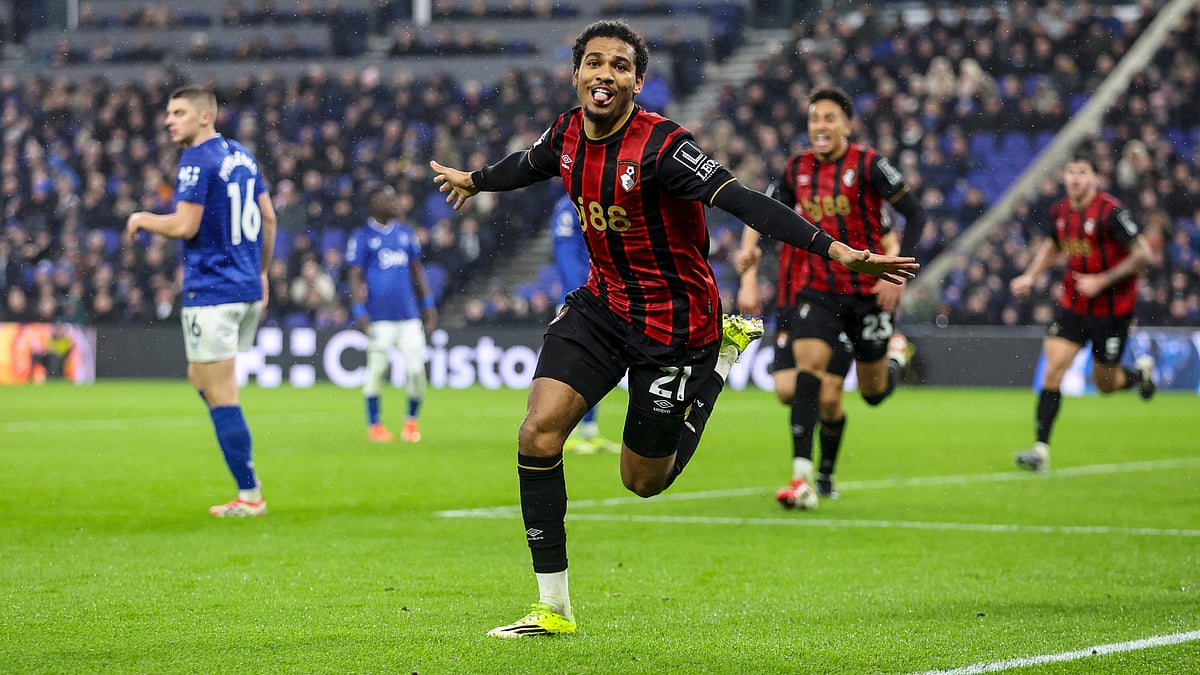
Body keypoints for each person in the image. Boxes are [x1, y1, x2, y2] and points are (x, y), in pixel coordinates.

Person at [429, 20, 917, 638]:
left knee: (643, 482)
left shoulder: (664, 146)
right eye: (594, 63)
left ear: (638, 80)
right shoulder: (568, 131)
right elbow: (528, 164)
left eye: (620, 66)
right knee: (537, 431)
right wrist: (474, 180)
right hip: (603, 307)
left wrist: (836, 250)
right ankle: (553, 608)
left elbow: (745, 201)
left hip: (674, 324)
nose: (605, 74)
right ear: (576, 73)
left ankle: (716, 368)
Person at [733, 87, 927, 510]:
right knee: (811, 375)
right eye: (814, 119)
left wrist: (897, 275)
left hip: (869, 293)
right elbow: (763, 212)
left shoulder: (870, 165)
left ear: (846, 124)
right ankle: (802, 478)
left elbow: (916, 213)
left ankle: (895, 355)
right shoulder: (796, 169)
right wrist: (749, 268)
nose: (820, 127)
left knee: (874, 392)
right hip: (819, 289)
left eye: (828, 119)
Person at [125, 86, 277, 518]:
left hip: (213, 292)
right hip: (245, 288)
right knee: (202, 380)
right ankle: (247, 481)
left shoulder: (196, 159)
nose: (169, 120)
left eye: (178, 113)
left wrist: (142, 219)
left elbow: (185, 224)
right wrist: (262, 271)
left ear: (205, 117)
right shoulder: (243, 156)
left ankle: (250, 495)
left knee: (222, 392)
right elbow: (269, 217)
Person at [1010, 149, 1155, 471]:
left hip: (1113, 310)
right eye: (1071, 172)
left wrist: (1102, 279)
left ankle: (1138, 375)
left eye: (1082, 172)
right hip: (1075, 305)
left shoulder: (1111, 213)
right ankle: (1040, 449)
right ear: (1063, 176)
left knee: (1105, 384)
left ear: (1095, 178)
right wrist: (1030, 276)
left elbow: (1143, 255)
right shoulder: (1059, 212)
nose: (1075, 179)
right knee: (1053, 369)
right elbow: (1053, 245)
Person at [737, 229, 902, 506]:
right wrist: (748, 278)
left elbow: (889, 237)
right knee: (787, 391)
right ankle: (810, 478)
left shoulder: (851, 205)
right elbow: (754, 222)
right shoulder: (793, 192)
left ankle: (821, 476)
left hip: (835, 305)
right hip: (793, 304)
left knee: (829, 396)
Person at [346, 184, 438, 443]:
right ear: (374, 204)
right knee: (376, 371)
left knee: (417, 370)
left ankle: (411, 422)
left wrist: (428, 304)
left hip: (409, 316)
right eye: (388, 199)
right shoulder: (363, 236)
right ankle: (375, 425)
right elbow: (355, 275)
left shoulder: (406, 233)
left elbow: (417, 270)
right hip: (379, 318)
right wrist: (358, 310)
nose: (395, 202)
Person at [549, 191, 620, 454]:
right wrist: (578, 295)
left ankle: (589, 430)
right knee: (571, 368)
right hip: (580, 298)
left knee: (595, 365)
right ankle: (561, 434)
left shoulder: (592, 202)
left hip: (601, 296)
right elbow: (566, 255)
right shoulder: (568, 207)